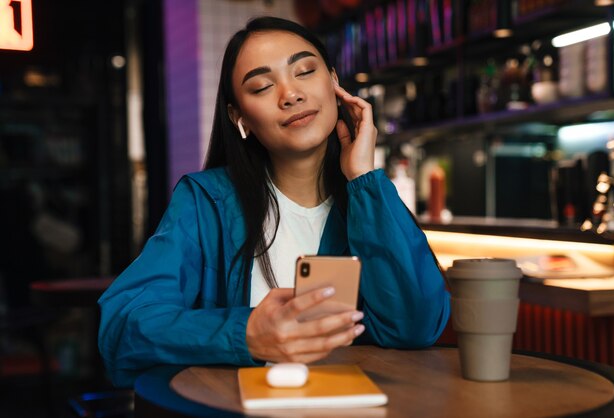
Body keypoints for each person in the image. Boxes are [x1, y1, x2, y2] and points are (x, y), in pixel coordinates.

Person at [98, 16, 450, 388]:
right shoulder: (207, 202)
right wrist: (246, 332)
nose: (291, 94)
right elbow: (123, 328)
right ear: (239, 118)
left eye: (305, 71)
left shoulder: (368, 200)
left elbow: (416, 327)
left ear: (334, 82)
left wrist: (363, 178)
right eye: (263, 86)